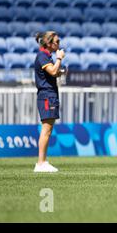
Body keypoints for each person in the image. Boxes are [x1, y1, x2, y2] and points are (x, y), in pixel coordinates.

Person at [33, 31, 65, 173]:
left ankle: (42, 162)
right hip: (47, 95)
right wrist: (59, 59)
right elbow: (52, 71)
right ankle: (41, 163)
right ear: (49, 43)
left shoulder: (46, 56)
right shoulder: (42, 56)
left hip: (49, 94)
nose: (59, 44)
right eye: (57, 42)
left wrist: (60, 71)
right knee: (46, 129)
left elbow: (52, 73)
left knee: (48, 129)